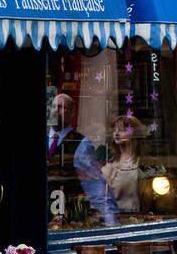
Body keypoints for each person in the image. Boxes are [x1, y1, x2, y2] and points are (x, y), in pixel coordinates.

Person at [48, 91, 118, 227]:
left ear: (72, 113)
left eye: (62, 107)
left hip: (65, 216)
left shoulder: (81, 142)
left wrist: (109, 217)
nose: (57, 111)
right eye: (54, 107)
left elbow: (94, 182)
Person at [101, 115, 143, 213]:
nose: (116, 133)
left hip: (140, 217)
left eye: (122, 130)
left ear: (134, 132)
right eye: (114, 130)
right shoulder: (109, 165)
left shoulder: (143, 163)